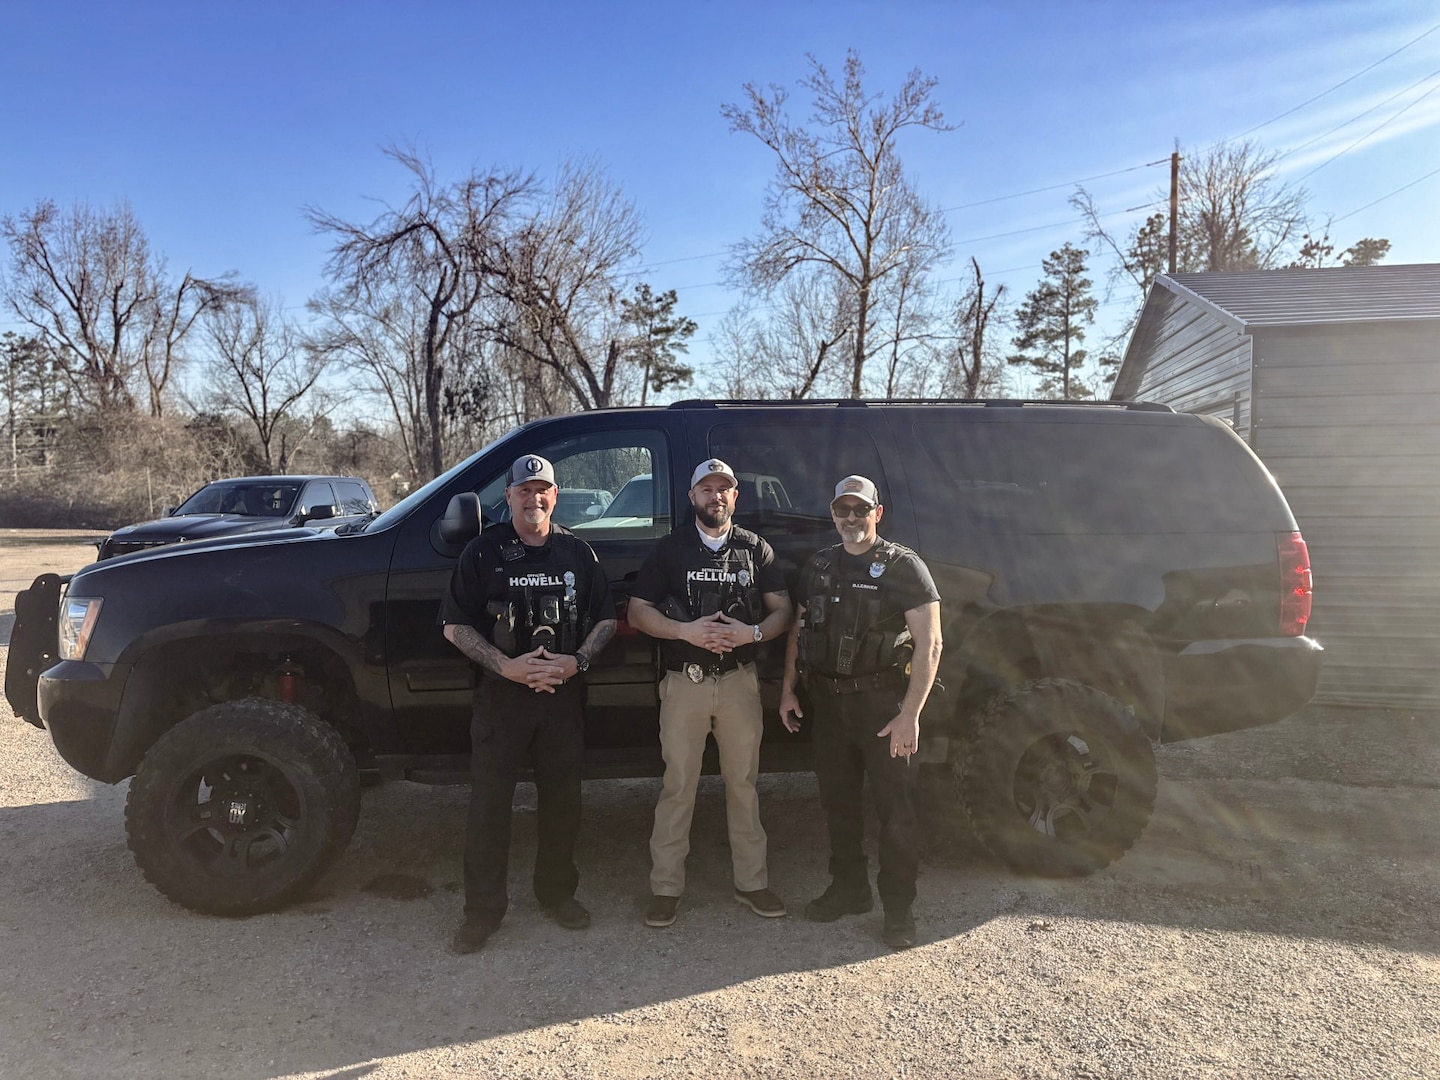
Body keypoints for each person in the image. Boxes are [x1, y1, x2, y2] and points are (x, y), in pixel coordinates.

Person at [439, 454, 616, 954]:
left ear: (554, 496)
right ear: (509, 496)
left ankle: (558, 894)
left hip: (562, 699)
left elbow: (605, 619)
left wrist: (577, 662)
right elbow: (454, 625)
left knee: (563, 804)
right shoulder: (482, 551)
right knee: (489, 809)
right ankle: (482, 912)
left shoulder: (578, 553)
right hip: (502, 700)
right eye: (523, 490)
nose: (534, 498)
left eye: (543, 490)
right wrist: (507, 666)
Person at [627, 458, 794, 928]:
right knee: (678, 786)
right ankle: (665, 889)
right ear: (692, 496)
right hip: (686, 683)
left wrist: (752, 635)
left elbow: (783, 611)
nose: (715, 496)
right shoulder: (670, 550)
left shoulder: (755, 550)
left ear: (735, 497)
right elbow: (638, 611)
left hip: (740, 682)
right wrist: (686, 632)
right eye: (706, 488)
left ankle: (752, 883)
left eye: (724, 488)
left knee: (743, 784)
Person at [779, 474, 942, 949]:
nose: (851, 518)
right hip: (828, 704)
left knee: (897, 811)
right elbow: (801, 628)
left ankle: (898, 909)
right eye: (842, 510)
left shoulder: (903, 567)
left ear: (877, 513)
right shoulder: (820, 564)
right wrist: (788, 690)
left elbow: (931, 643)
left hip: (883, 707)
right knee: (839, 804)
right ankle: (850, 889)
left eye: (860, 509)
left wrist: (910, 714)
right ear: (832, 513)